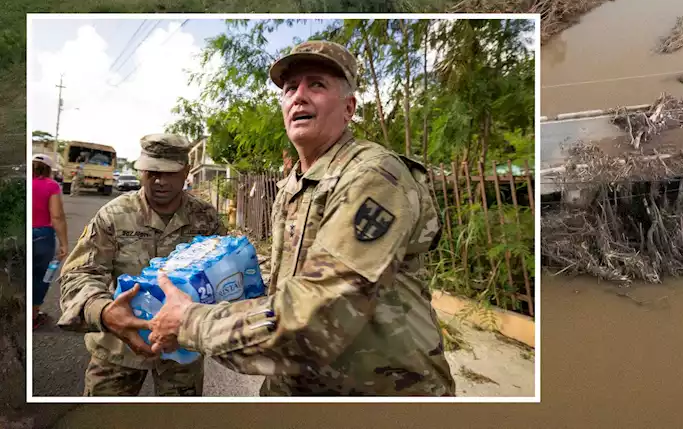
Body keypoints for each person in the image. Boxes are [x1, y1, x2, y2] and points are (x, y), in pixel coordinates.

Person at [136, 40, 456, 397]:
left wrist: (191, 322)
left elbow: (318, 317)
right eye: (290, 89)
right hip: (299, 387)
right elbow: (291, 282)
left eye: (316, 84)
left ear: (349, 107)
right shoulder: (294, 185)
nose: (298, 96)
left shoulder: (374, 176)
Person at [57, 134, 225, 396]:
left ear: (185, 171)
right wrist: (104, 311)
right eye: (151, 172)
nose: (159, 181)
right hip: (117, 347)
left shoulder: (206, 219)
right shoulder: (114, 215)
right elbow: (80, 272)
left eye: (169, 173)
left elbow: (224, 273)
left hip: (180, 350)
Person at [31, 153, 69, 329]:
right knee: (41, 277)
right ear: (48, 169)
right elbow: (56, 215)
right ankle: (33, 316)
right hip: (42, 236)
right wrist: (64, 243)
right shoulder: (51, 185)